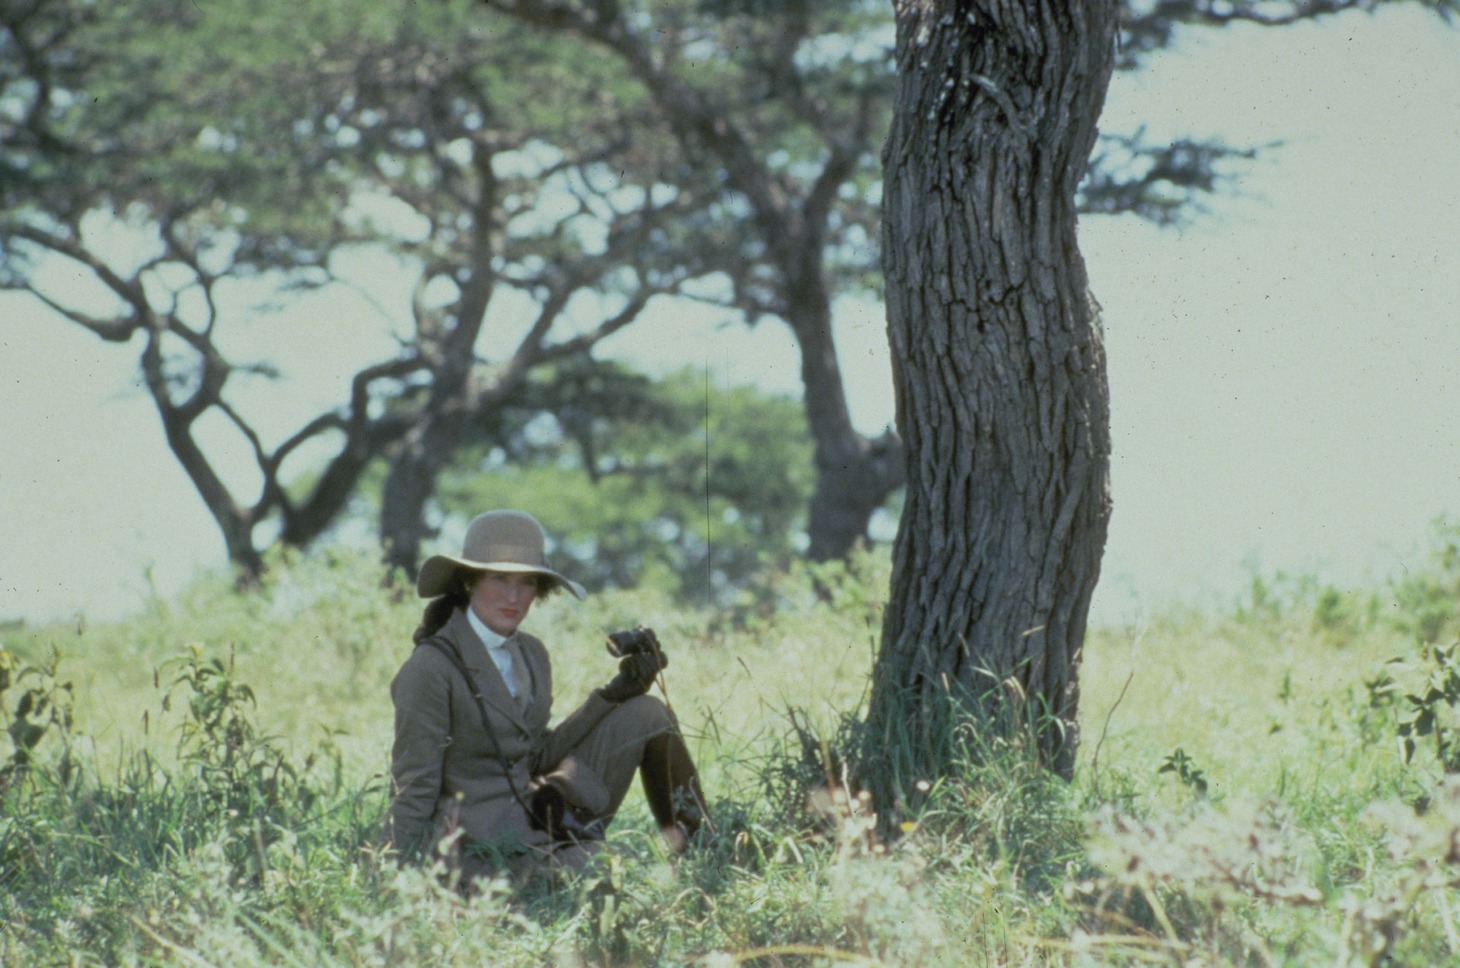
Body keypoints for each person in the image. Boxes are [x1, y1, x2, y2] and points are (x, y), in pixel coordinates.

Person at [381, 509, 706, 885]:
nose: (513, 596)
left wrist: (612, 697)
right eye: (499, 579)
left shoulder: (532, 654)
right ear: (469, 581)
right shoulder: (431, 668)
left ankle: (705, 856)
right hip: (480, 852)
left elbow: (534, 758)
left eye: (527, 582)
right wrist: (386, 879)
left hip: (538, 816)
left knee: (648, 713)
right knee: (614, 870)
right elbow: (412, 788)